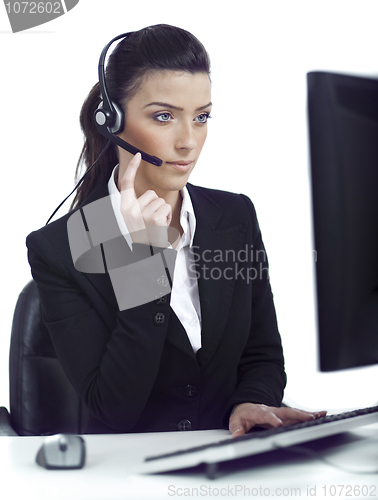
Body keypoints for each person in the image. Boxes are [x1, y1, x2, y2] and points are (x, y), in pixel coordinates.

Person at [26, 24, 325, 435]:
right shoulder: (60, 248)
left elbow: (262, 355)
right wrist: (140, 263)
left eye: (202, 117)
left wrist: (250, 403)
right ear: (112, 121)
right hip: (126, 482)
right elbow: (113, 407)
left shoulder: (234, 216)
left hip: (229, 465)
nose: (189, 141)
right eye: (164, 117)